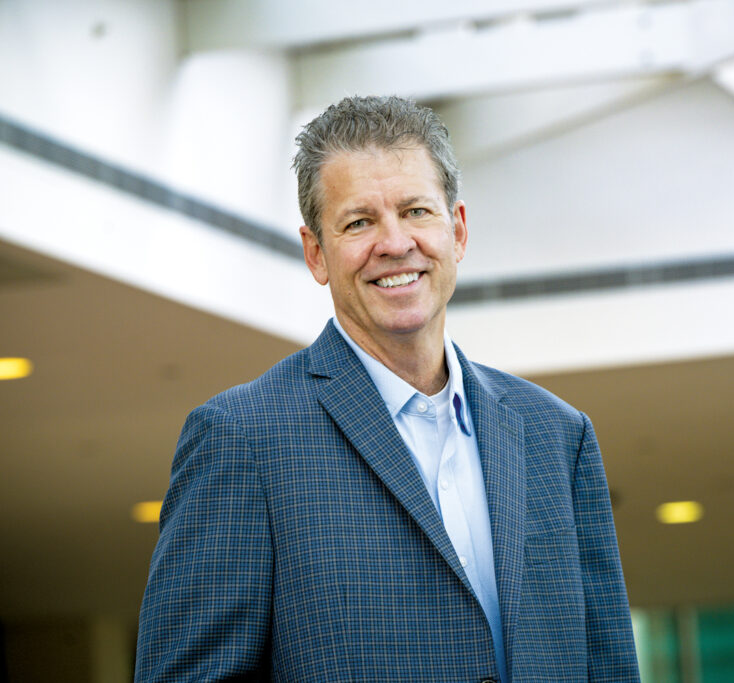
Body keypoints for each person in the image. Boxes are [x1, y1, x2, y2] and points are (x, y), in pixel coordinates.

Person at [135, 95, 639, 682]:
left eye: (417, 211)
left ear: (458, 230)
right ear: (316, 254)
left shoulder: (558, 435)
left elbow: (608, 667)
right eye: (359, 222)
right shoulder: (242, 439)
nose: (395, 243)